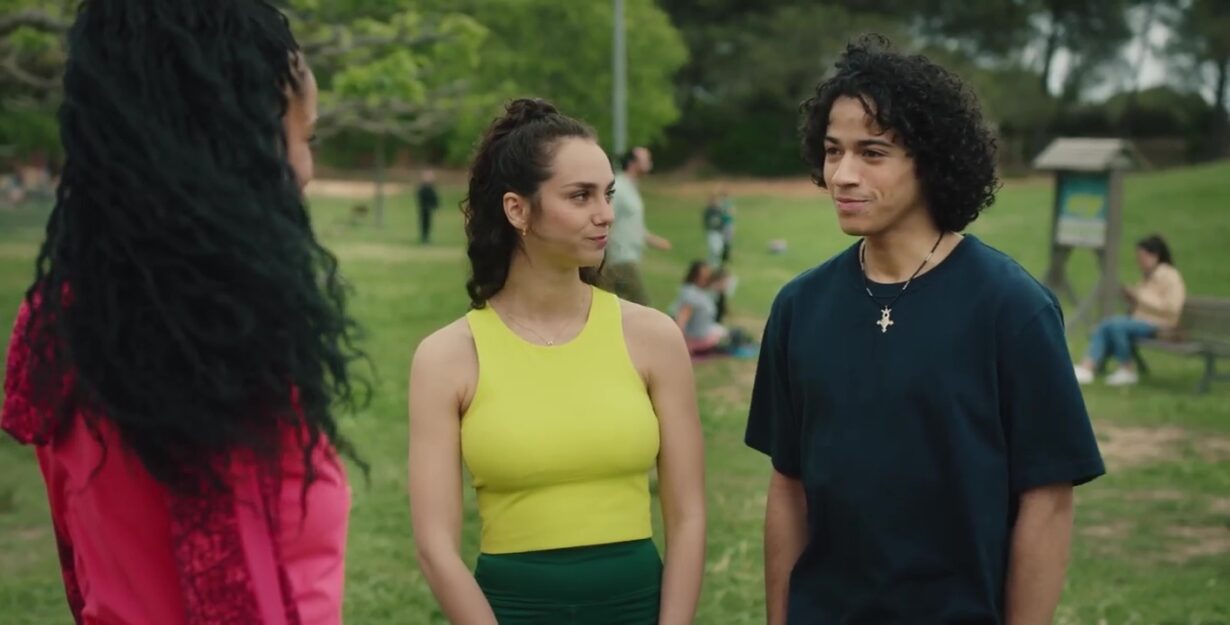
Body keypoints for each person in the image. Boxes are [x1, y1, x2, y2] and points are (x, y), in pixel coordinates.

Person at [1, 2, 361, 625]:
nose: (306, 169)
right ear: (230, 139)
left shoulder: (59, 323)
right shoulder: (218, 346)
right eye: (303, 137)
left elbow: (80, 567)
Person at [744, 35, 1105, 625]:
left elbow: (1047, 502)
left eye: (873, 152)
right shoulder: (799, 307)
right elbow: (788, 487)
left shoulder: (1012, 309)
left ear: (930, 160)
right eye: (833, 151)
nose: (843, 174)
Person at [407, 98, 705, 625]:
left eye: (608, 194)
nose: (605, 214)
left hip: (637, 609)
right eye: (580, 196)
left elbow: (689, 517)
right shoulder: (446, 358)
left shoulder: (654, 338)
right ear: (517, 210)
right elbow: (435, 546)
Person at [1073, 234, 1186, 386]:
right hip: (1142, 321)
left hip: (1161, 324)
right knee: (1106, 325)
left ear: (1155, 256)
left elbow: (1172, 307)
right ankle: (1087, 367)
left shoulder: (1170, 276)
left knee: (1116, 326)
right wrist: (1132, 298)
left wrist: (1139, 297)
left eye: (1142, 257)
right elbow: (1145, 301)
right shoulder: (1150, 276)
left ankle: (1127, 368)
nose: (1140, 262)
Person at [604, 146, 672, 306]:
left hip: (629, 256)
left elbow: (632, 225)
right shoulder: (619, 187)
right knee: (642, 306)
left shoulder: (631, 187)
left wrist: (654, 241)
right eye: (646, 160)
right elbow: (608, 219)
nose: (650, 163)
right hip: (620, 257)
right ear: (633, 163)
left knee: (620, 308)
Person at [417, 168, 441, 244]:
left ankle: (426, 238)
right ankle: (424, 238)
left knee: (428, 224)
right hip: (424, 209)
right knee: (424, 224)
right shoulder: (423, 188)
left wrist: (435, 205)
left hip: (429, 209)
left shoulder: (431, 188)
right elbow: (421, 198)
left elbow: (434, 198)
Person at [702, 193, 726, 267]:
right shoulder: (708, 211)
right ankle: (711, 262)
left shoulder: (719, 210)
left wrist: (722, 230)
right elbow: (706, 221)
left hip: (719, 232)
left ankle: (716, 262)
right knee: (713, 248)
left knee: (719, 248)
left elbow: (722, 221)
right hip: (712, 232)